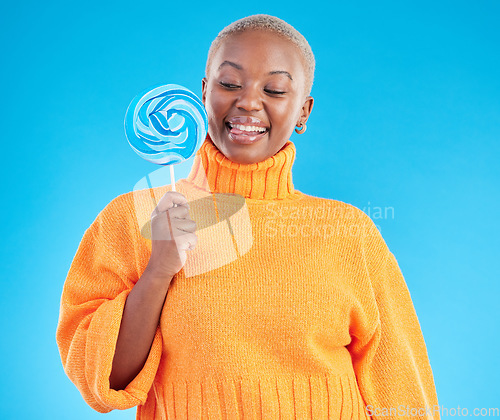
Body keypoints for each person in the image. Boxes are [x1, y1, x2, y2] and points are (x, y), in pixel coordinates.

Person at [56, 14, 440, 419]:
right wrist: (158, 271)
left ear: (303, 112)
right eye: (229, 84)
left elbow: (404, 390)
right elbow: (104, 382)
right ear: (204, 93)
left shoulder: (350, 233)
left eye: (274, 89)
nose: (248, 102)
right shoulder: (133, 218)